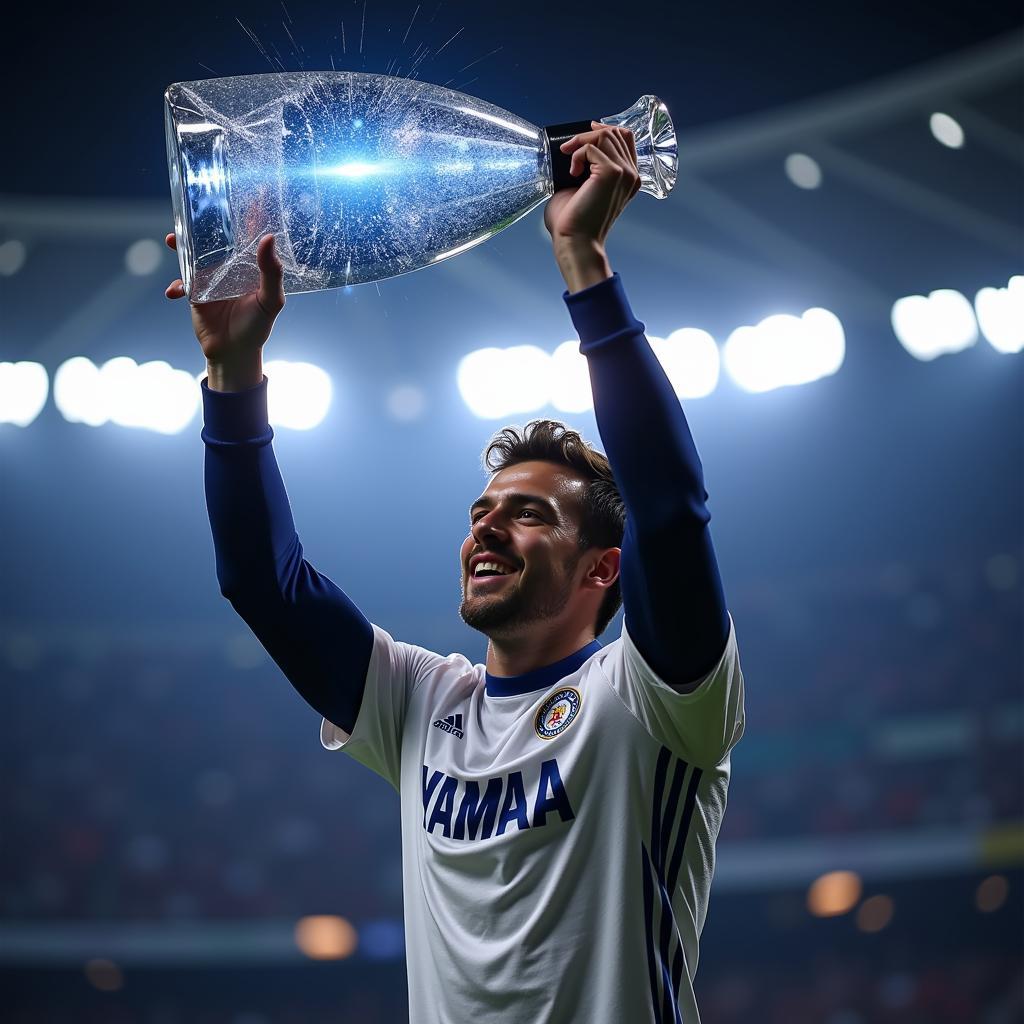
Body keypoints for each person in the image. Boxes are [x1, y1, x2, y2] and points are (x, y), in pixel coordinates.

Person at [165, 121, 745, 1024]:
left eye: (527, 514)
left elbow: (669, 510)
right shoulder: (424, 705)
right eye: (480, 512)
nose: (487, 529)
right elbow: (260, 581)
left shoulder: (654, 698)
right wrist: (234, 371)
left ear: (603, 568)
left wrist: (583, 260)